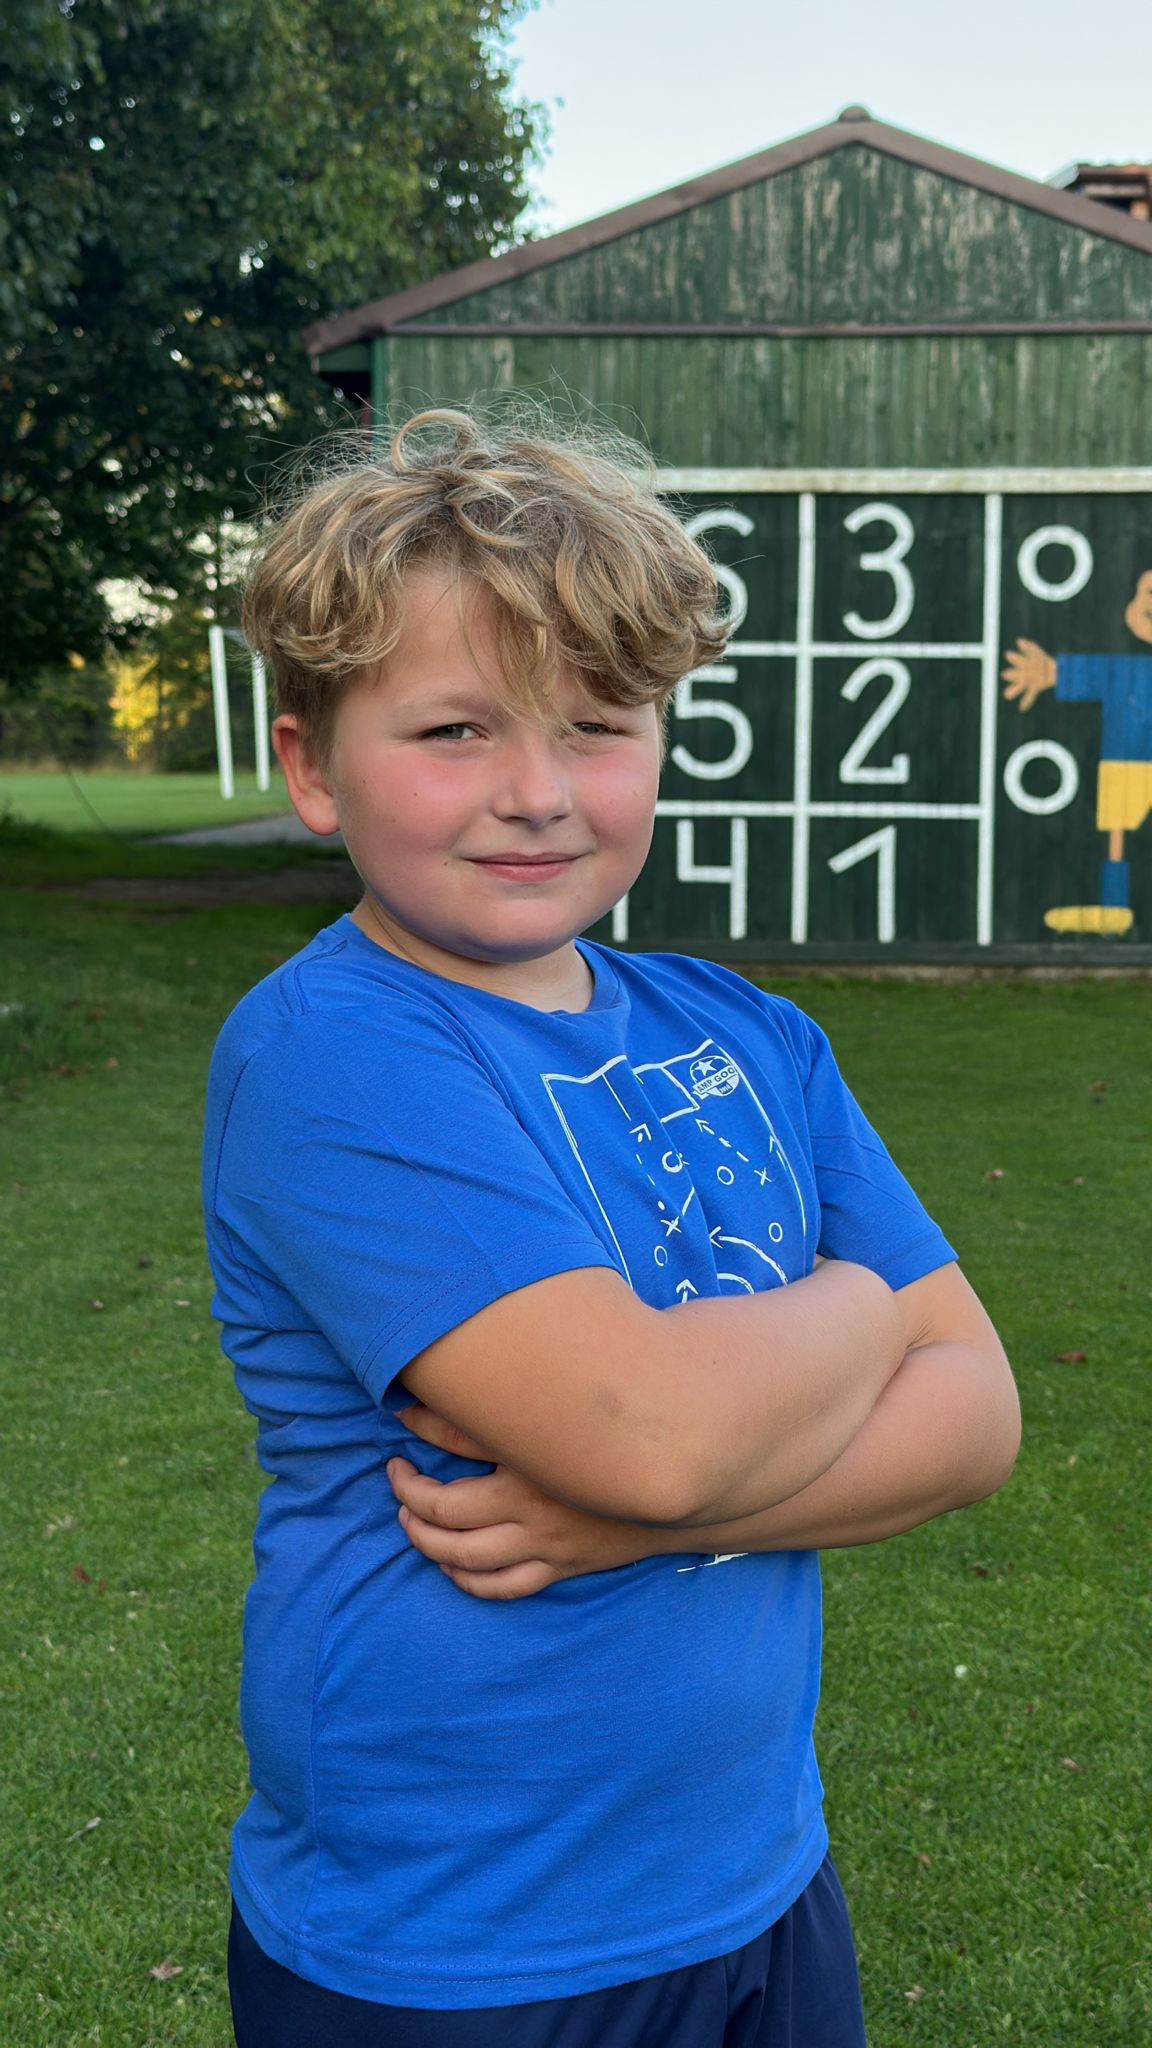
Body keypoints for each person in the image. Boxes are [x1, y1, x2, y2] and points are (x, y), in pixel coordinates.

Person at [204, 408, 1020, 2048]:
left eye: (594, 724)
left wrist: (643, 1523)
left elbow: (977, 1420)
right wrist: (867, 1311)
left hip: (755, 1872)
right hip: (460, 1939)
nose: (534, 793)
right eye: (454, 729)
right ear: (312, 765)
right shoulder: (336, 1049)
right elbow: (648, 1433)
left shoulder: (749, 1033)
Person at [1002, 567, 1152, 935]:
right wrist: (1049, 672)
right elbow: (1087, 674)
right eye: (1147, 593)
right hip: (1124, 764)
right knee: (1117, 832)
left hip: (1125, 761)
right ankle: (1114, 908)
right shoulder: (1123, 671)